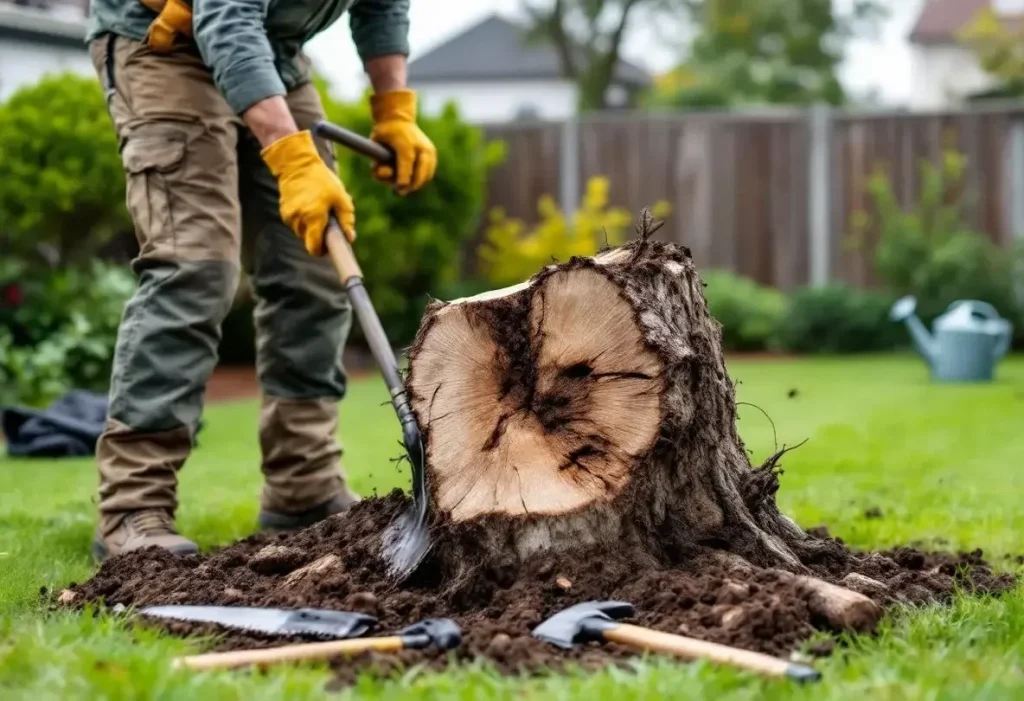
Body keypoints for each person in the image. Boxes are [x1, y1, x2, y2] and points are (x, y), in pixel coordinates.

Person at [86, 0, 437, 561]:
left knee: (314, 264)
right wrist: (293, 161)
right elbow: (226, 17)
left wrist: (394, 108)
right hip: (167, 44)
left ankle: (304, 485)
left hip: (272, 53)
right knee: (195, 267)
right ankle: (134, 503)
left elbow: (381, 5)